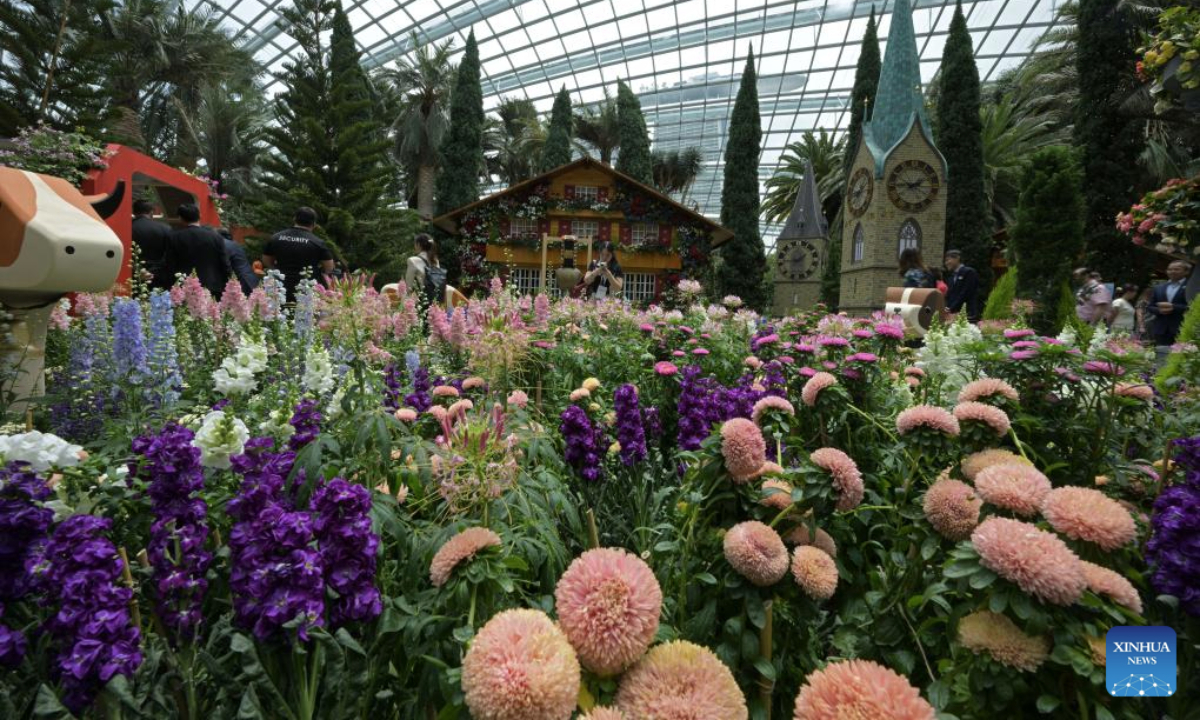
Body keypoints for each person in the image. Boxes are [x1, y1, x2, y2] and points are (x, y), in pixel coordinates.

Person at [262, 207, 334, 302]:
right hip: (306, 291)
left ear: (294, 219)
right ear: (314, 224)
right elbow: (329, 267)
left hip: (281, 289)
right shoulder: (318, 242)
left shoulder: (276, 238)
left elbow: (266, 261)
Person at [166, 203, 231, 298]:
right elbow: (225, 263)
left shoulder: (174, 237)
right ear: (199, 216)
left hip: (184, 286)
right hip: (212, 285)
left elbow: (170, 263)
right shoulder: (215, 236)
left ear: (180, 218)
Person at [1147, 260, 1192, 347]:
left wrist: (1174, 307)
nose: (1172, 271)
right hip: (1161, 328)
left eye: (1176, 269)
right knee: (1160, 355)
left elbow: (1194, 306)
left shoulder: (1191, 287)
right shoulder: (1159, 287)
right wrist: (1159, 310)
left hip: (1182, 328)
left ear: (1186, 271)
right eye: (1169, 269)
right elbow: (1150, 307)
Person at [131, 199, 172, 289]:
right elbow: (169, 254)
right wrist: (153, 271)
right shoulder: (165, 229)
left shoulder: (128, 228)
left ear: (133, 211)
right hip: (158, 276)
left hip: (132, 274)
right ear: (151, 212)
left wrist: (137, 270)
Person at [405, 233, 446, 307]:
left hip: (421, 305)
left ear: (418, 244)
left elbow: (408, 289)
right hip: (436, 304)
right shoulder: (436, 261)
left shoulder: (412, 260)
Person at [943, 250, 981, 322]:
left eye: (948, 260)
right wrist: (947, 307)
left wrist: (951, 308)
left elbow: (965, 293)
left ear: (957, 258)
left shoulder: (969, 272)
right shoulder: (951, 276)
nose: (946, 263)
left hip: (967, 313)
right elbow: (950, 295)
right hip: (952, 313)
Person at [219, 227, 258, 295]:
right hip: (250, 278)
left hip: (242, 282)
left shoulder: (223, 244)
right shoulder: (234, 244)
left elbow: (225, 265)